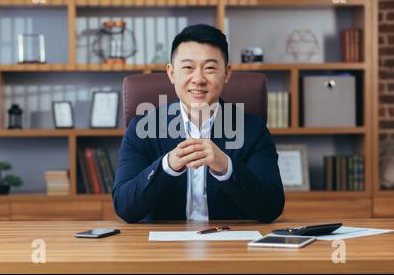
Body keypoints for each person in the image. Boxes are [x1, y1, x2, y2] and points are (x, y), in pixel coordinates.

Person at [113, 24, 284, 223]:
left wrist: (226, 167)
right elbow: (124, 206)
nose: (199, 79)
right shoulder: (142, 129)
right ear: (171, 73)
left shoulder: (253, 131)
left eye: (210, 68)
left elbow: (271, 206)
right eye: (188, 67)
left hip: (231, 248)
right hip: (162, 250)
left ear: (227, 73)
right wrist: (167, 166)